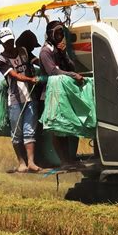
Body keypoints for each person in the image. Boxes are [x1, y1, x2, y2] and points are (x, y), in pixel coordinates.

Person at [0, 27, 42, 173]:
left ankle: (31, 162)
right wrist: (30, 79)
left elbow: (35, 60)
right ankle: (21, 162)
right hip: (15, 99)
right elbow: (15, 76)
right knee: (17, 133)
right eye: (6, 42)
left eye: (10, 41)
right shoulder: (0, 60)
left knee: (30, 131)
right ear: (0, 43)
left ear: (14, 39)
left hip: (30, 97)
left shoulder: (23, 51)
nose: (9, 44)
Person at [39, 20, 84, 166]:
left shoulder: (58, 50)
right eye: (57, 33)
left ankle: (67, 159)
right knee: (56, 128)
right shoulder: (45, 51)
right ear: (50, 34)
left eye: (61, 33)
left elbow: (72, 65)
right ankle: (64, 161)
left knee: (63, 127)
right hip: (51, 94)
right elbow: (53, 71)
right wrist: (72, 75)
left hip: (61, 92)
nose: (59, 36)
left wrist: (64, 54)